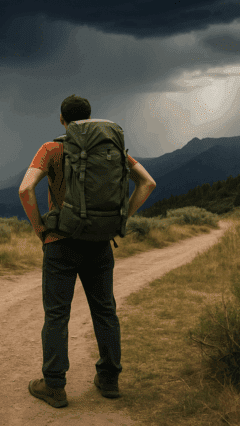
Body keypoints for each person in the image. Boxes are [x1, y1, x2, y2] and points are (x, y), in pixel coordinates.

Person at [18, 94, 157, 408]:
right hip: (99, 244)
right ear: (90, 117)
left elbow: (25, 189)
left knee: (57, 316)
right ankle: (109, 380)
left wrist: (40, 229)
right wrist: (121, 217)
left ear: (62, 120)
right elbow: (148, 183)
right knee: (105, 312)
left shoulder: (52, 148)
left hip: (60, 245)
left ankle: (54, 385)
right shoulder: (111, 150)